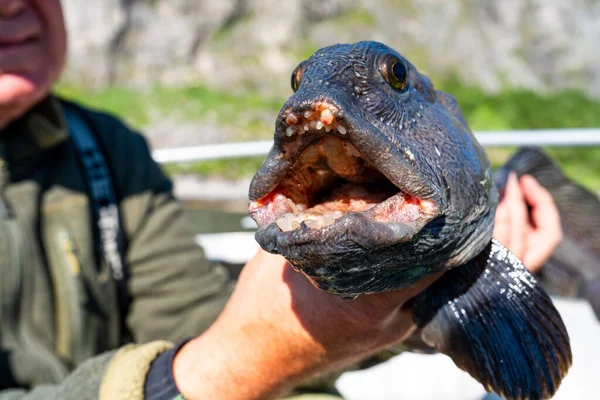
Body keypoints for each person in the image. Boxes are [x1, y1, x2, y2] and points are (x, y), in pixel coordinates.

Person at [0, 1, 563, 399]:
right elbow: (229, 350)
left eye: (392, 78)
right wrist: (241, 357)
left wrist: (393, 317)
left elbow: (192, 320)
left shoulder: (107, 147)